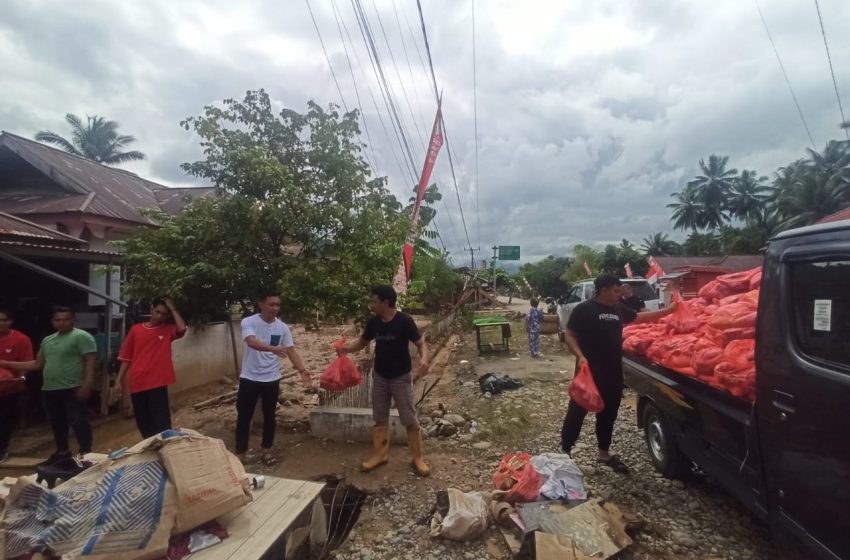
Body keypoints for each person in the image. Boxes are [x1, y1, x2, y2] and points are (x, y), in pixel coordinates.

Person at [560, 274, 675, 473]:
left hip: (612, 371)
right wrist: (579, 355)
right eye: (615, 290)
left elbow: (639, 318)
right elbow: (569, 335)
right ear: (603, 290)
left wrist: (669, 311)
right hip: (588, 372)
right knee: (577, 412)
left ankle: (603, 453)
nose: (619, 294)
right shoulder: (584, 309)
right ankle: (565, 451)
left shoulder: (618, 309)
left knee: (609, 413)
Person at [337, 285, 431, 476]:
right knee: (380, 417)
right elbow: (363, 341)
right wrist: (346, 349)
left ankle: (417, 458)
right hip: (380, 376)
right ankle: (380, 455)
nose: (372, 304)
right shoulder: (374, 322)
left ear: (385, 302)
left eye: (374, 300)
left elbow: (421, 343)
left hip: (401, 377)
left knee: (409, 418)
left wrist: (424, 359)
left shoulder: (404, 321)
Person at [0, 307, 96, 464]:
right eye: (58, 320)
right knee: (57, 422)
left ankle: (86, 453)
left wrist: (88, 383)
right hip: (50, 388)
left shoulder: (82, 337)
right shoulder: (48, 340)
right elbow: (37, 364)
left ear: (74, 320)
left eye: (66, 319)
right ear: (53, 321)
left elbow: (90, 361)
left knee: (78, 420)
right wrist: (7, 363)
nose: (62, 323)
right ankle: (62, 452)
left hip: (72, 387)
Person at [236, 292, 311, 466]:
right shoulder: (249, 322)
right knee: (244, 417)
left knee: (270, 417)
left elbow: (290, 350)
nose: (275, 308)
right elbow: (251, 342)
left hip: (271, 379)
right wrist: (273, 349)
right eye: (272, 304)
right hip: (250, 378)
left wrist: (302, 370)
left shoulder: (282, 327)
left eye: (278, 305)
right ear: (261, 304)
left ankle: (267, 450)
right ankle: (240, 453)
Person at [113, 298, 187, 439]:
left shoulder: (167, 330)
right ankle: (152, 450)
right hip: (137, 382)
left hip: (157, 383)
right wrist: (118, 381)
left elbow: (182, 328)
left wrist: (173, 309)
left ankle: (166, 451)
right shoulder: (136, 330)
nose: (160, 316)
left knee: (162, 423)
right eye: (157, 312)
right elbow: (126, 357)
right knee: (143, 423)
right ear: (151, 310)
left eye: (164, 314)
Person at [0, 309, 34, 462]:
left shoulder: (21, 339)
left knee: (5, 419)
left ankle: (2, 449)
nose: (1, 323)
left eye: (4, 320)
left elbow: (26, 362)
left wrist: (21, 378)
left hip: (10, 388)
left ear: (10, 321)